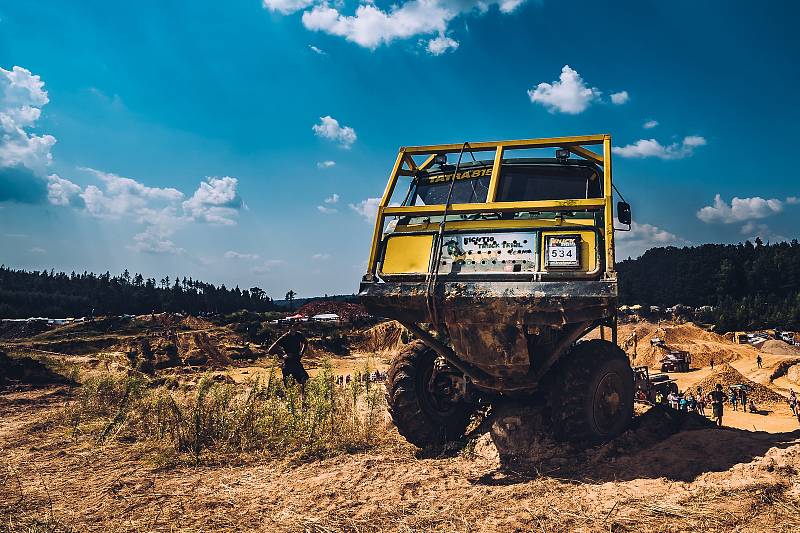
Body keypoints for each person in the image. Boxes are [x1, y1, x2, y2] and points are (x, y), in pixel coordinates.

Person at [267, 324, 310, 390]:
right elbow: (270, 350)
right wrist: (282, 356)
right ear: (289, 327)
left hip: (296, 363)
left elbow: (306, 343)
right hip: (288, 364)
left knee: (305, 380)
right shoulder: (285, 337)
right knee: (289, 386)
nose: (295, 327)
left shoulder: (299, 335)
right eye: (293, 326)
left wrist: (301, 353)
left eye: (296, 325)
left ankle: (303, 399)